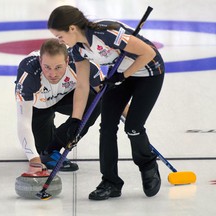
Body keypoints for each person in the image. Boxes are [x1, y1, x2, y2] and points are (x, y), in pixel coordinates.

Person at [48, 5, 165, 200]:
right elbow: (82, 86)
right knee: (107, 128)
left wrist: (123, 75)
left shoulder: (105, 33)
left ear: (72, 28)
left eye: (59, 36)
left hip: (148, 73)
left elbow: (148, 53)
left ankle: (148, 165)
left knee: (133, 127)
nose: (59, 40)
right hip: (119, 77)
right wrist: (75, 120)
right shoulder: (77, 50)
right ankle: (110, 182)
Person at [15, 38, 103, 174]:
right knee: (40, 151)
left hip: (67, 98)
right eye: (47, 67)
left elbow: (109, 96)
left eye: (58, 67)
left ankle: (54, 147)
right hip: (39, 106)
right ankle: (47, 145)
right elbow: (23, 120)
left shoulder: (81, 62)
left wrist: (134, 127)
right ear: (40, 61)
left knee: (96, 101)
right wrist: (33, 159)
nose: (53, 74)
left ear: (67, 61)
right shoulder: (28, 71)